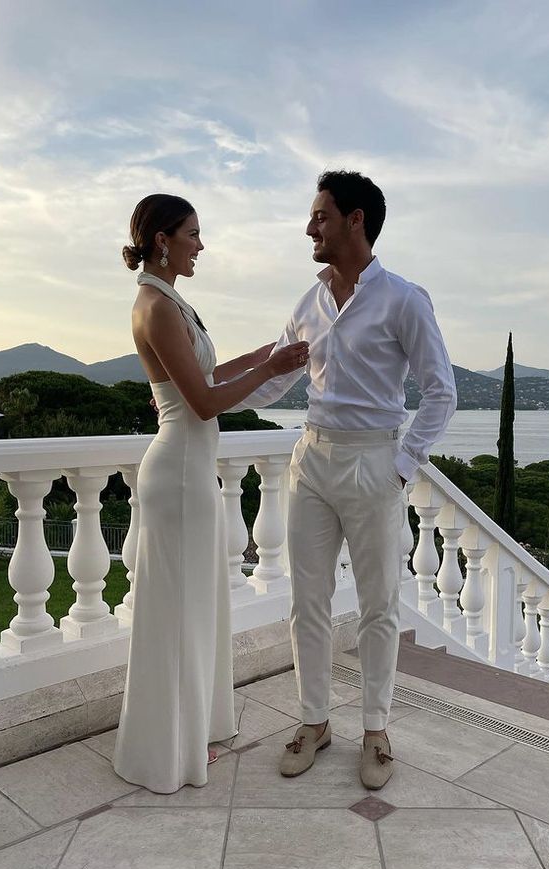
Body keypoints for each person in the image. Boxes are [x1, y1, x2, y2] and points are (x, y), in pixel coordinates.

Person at [231, 171, 457, 789]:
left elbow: (441, 392)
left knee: (379, 604)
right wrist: (204, 398)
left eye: (320, 217)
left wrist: (402, 465)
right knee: (308, 600)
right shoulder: (310, 300)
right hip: (312, 460)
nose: (310, 228)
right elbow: (278, 377)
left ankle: (376, 730)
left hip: (373, 462)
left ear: (355, 220)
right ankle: (313, 722)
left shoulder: (405, 299)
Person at [112, 194, 309, 794]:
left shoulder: (171, 301)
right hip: (177, 472)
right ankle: (164, 752)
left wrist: (275, 353)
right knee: (176, 613)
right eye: (193, 233)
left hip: (189, 470)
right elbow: (203, 400)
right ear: (162, 239)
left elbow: (215, 375)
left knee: (191, 608)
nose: (201, 244)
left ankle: (183, 734)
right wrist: (272, 373)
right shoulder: (156, 304)